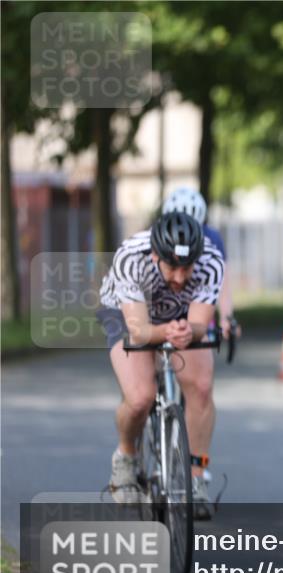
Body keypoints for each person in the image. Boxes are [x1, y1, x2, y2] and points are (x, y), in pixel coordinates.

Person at [97, 211, 226, 519]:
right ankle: (126, 456)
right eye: (171, 267)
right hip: (129, 314)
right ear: (156, 256)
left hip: (181, 315)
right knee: (140, 396)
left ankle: (196, 480)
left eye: (187, 268)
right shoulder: (132, 256)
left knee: (202, 387)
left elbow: (199, 323)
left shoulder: (211, 260)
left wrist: (187, 330)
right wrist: (165, 332)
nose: (180, 278)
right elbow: (139, 330)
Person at [162, 186, 240, 340]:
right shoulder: (157, 237)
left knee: (200, 345)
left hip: (198, 302)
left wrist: (226, 317)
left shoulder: (212, 238)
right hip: (164, 305)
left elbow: (222, 280)